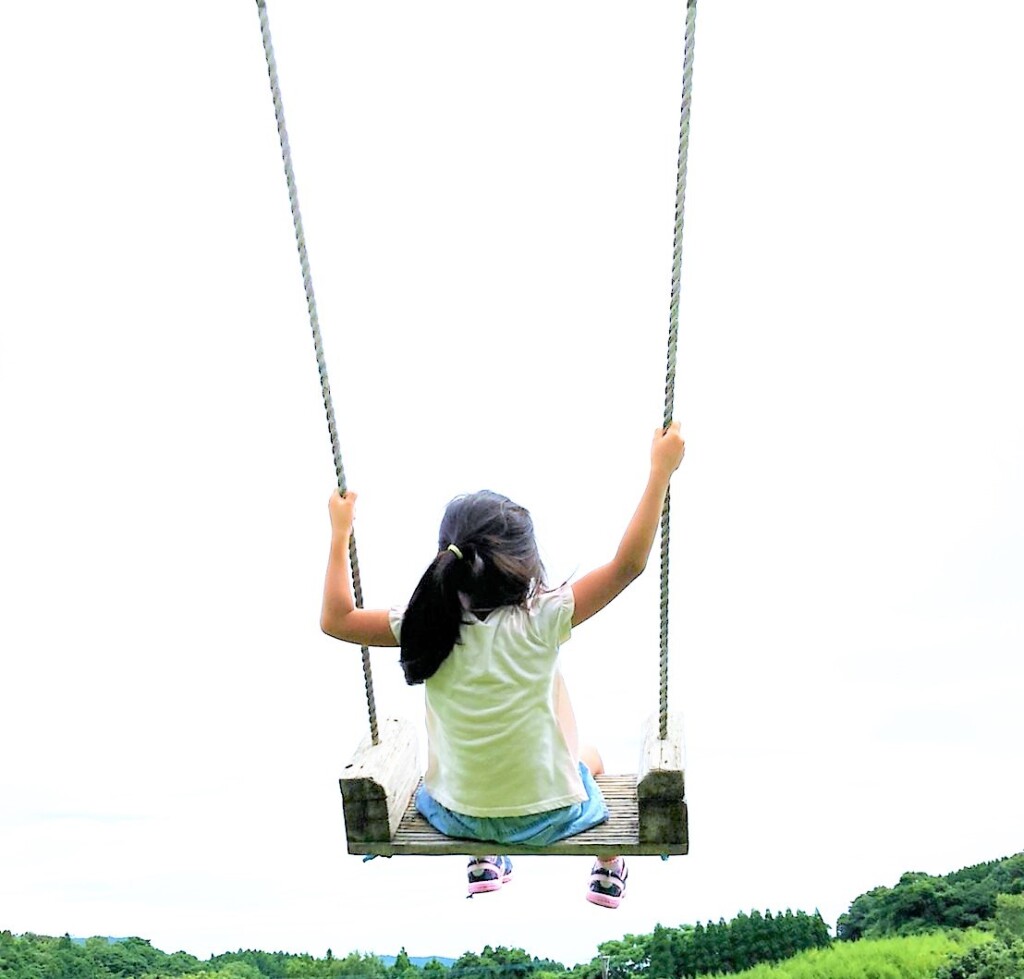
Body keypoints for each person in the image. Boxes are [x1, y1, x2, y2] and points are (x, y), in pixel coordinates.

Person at [321, 422, 685, 907]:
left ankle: (485, 858)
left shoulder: (425, 622)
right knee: (587, 754)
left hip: (458, 816)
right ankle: (606, 867)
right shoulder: (543, 618)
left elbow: (336, 619)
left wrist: (339, 532)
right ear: (525, 562)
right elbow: (628, 565)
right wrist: (660, 472)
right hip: (549, 818)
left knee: (479, 756)